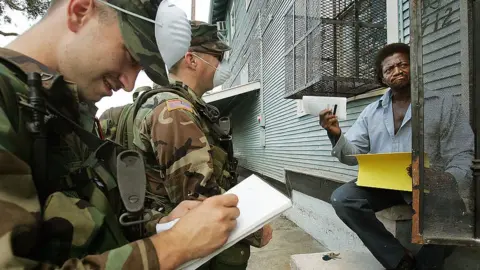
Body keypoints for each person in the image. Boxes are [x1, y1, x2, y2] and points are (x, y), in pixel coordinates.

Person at [0, 0, 241, 269]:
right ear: (79, 12)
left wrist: (160, 226)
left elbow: (91, 223)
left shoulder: (62, 111)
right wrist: (170, 247)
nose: (128, 84)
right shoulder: (10, 101)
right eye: (129, 55)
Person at [125, 21, 273, 269]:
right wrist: (257, 229)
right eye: (217, 57)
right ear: (191, 60)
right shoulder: (175, 112)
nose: (221, 65)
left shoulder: (181, 105)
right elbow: (198, 201)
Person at [319, 43, 474, 270]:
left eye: (403, 64)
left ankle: (423, 266)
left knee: (452, 213)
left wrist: (447, 179)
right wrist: (336, 135)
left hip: (430, 183)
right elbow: (353, 156)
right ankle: (399, 260)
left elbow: (462, 152)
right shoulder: (371, 112)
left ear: (416, 67)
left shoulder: (443, 104)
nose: (397, 71)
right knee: (343, 198)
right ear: (382, 78)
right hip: (384, 185)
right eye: (389, 69)